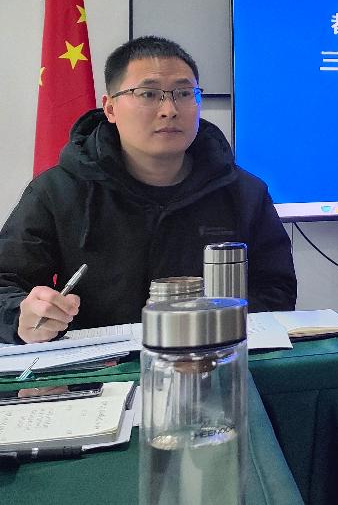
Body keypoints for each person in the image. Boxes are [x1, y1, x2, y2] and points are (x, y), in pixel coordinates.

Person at [0, 36, 296, 344]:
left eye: (184, 93)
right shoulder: (58, 191)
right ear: (110, 108)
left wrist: (215, 331)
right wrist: (21, 316)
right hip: (100, 366)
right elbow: (5, 283)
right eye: (148, 94)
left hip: (212, 357)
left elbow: (276, 289)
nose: (169, 109)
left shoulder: (243, 193)